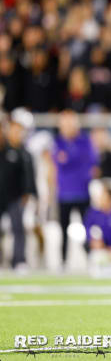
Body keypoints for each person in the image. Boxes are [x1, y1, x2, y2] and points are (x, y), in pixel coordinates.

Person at [53, 110, 97, 266]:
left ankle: (92, 258)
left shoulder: (84, 141)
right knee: (63, 229)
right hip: (64, 193)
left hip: (82, 191)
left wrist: (70, 158)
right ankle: (63, 261)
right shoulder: (58, 142)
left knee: (89, 228)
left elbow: (92, 162)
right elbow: (60, 161)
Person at [0, 109, 37, 270]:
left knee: (18, 229)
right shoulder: (3, 149)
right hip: (1, 195)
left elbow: (29, 176)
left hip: (16, 197)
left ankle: (19, 260)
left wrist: (29, 193)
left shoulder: (25, 153)